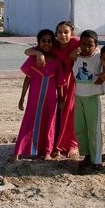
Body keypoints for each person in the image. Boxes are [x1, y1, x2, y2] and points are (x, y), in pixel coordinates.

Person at [24, 21, 79, 157]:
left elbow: (95, 47)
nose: (62, 35)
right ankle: (55, 144)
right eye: (59, 32)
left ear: (72, 33)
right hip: (56, 83)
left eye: (66, 32)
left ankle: (72, 144)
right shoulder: (53, 45)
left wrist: (79, 50)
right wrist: (38, 53)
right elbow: (27, 51)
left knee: (70, 112)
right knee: (57, 114)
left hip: (73, 82)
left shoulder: (77, 42)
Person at [14, 29, 65, 160]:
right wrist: (22, 97)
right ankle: (20, 150)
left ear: (53, 43)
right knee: (29, 121)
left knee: (49, 123)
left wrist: (61, 99)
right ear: (38, 42)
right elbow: (27, 79)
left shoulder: (57, 62)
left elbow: (60, 84)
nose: (46, 44)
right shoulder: (33, 59)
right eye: (43, 41)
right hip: (34, 98)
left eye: (49, 41)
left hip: (51, 100)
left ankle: (47, 151)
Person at [73, 30, 104, 170]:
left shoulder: (99, 56)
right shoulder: (75, 56)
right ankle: (86, 155)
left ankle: (96, 159)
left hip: (92, 98)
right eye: (83, 44)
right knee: (80, 128)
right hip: (78, 97)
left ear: (96, 45)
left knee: (94, 130)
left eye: (90, 45)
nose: (86, 47)